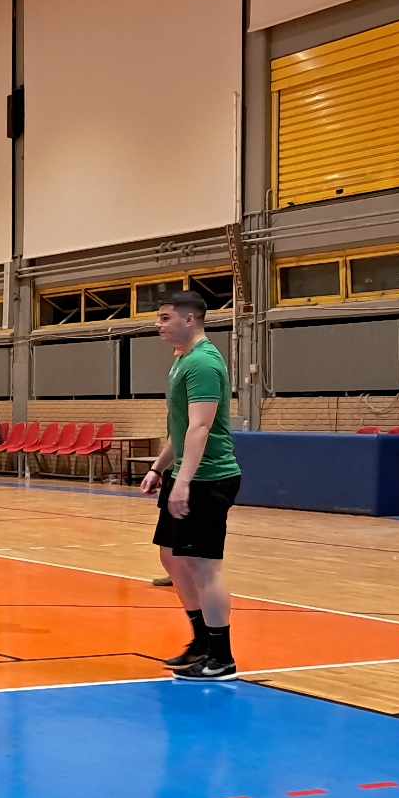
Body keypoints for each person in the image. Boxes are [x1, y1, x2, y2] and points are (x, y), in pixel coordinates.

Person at [140, 290, 243, 680]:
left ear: (190, 319)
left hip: (208, 477)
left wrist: (183, 483)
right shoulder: (182, 361)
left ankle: (222, 656)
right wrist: (158, 467)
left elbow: (201, 427)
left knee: (204, 566)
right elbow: (181, 430)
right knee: (171, 557)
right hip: (185, 472)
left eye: (165, 318)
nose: (159, 325)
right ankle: (200, 640)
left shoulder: (202, 363)